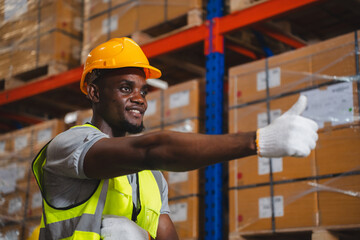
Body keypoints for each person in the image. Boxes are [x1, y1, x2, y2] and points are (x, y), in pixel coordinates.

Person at [32, 37, 318, 240]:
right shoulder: (68, 147)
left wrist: (143, 237)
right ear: (94, 93)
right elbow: (152, 150)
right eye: (125, 88)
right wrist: (256, 141)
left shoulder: (152, 178)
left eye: (143, 91)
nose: (139, 100)